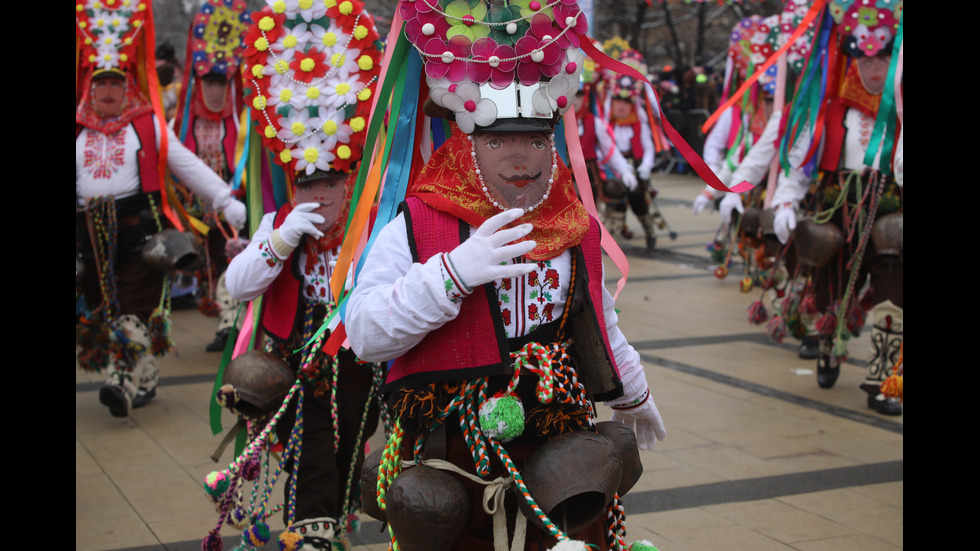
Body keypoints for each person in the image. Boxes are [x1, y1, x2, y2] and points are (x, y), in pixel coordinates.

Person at [345, 5, 666, 549]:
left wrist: (633, 391)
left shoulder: (572, 221)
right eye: (499, 142)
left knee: (588, 486)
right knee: (436, 514)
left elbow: (598, 317)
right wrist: (450, 274)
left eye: (537, 141)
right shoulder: (420, 219)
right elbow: (364, 334)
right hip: (454, 436)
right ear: (470, 143)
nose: (522, 158)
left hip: (555, 425)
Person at [219, 1, 385, 547]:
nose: (318, 196)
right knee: (311, 442)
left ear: (350, 179)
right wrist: (279, 239)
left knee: (340, 448)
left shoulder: (374, 224)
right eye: (306, 185)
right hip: (296, 354)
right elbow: (237, 287)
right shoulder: (281, 222)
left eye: (329, 184)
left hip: (355, 353)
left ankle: (323, 530)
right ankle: (314, 536)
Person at [75, 1, 247, 418]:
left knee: (132, 310)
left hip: (139, 236)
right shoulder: (79, 130)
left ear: (128, 83)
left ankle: (121, 382)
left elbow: (186, 165)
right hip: (89, 242)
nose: (109, 91)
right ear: (89, 88)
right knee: (104, 310)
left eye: (116, 83)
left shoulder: (147, 124)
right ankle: (145, 375)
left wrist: (225, 201)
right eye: (101, 85)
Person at [768, 0, 903, 414]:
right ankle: (829, 341)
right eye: (866, 57)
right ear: (851, 58)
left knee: (894, 293)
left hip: (890, 206)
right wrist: (786, 199)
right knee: (833, 285)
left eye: (884, 57)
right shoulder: (830, 107)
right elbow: (800, 154)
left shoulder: (900, 107)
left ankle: (883, 380)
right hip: (840, 205)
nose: (876, 68)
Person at [173, 0, 251, 353]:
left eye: (222, 83)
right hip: (199, 207)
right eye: (209, 82)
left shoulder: (241, 121)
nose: (216, 91)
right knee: (207, 262)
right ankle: (224, 318)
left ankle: (231, 323)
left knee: (231, 256)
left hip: (234, 203)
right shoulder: (185, 120)